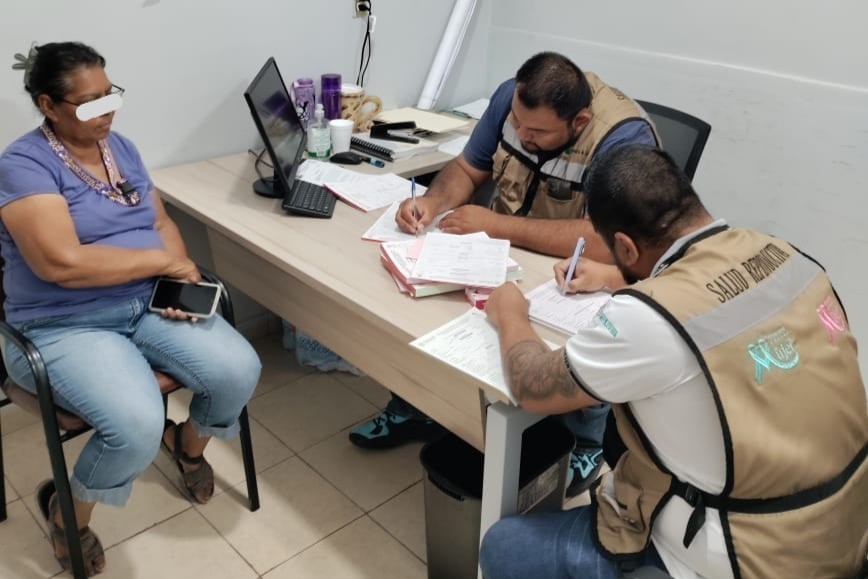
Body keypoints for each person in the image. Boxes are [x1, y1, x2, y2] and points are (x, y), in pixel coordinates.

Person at [478, 145, 868, 579]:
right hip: (844, 529)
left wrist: (510, 310)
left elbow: (532, 385)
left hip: (752, 555)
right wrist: (613, 277)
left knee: (504, 547)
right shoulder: (783, 253)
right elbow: (715, 295)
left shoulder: (646, 320)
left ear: (625, 247)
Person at [0, 42, 261, 576]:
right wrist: (165, 263)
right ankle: (68, 514)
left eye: (110, 96)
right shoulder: (22, 165)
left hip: (146, 302)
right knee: (135, 425)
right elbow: (61, 264)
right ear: (48, 105)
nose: (108, 112)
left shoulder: (120, 148)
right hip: (63, 324)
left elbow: (160, 222)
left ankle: (186, 447)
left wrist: (180, 280)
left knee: (239, 370)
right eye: (90, 103)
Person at [351, 51, 659, 498]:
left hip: (576, 270)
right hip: (502, 253)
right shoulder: (511, 98)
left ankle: (585, 443)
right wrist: (433, 203)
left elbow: (606, 239)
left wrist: (497, 225)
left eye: (538, 132)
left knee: (583, 334)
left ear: (578, 122)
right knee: (424, 308)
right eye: (518, 123)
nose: (522, 135)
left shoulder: (624, 140)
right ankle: (419, 404)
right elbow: (466, 168)